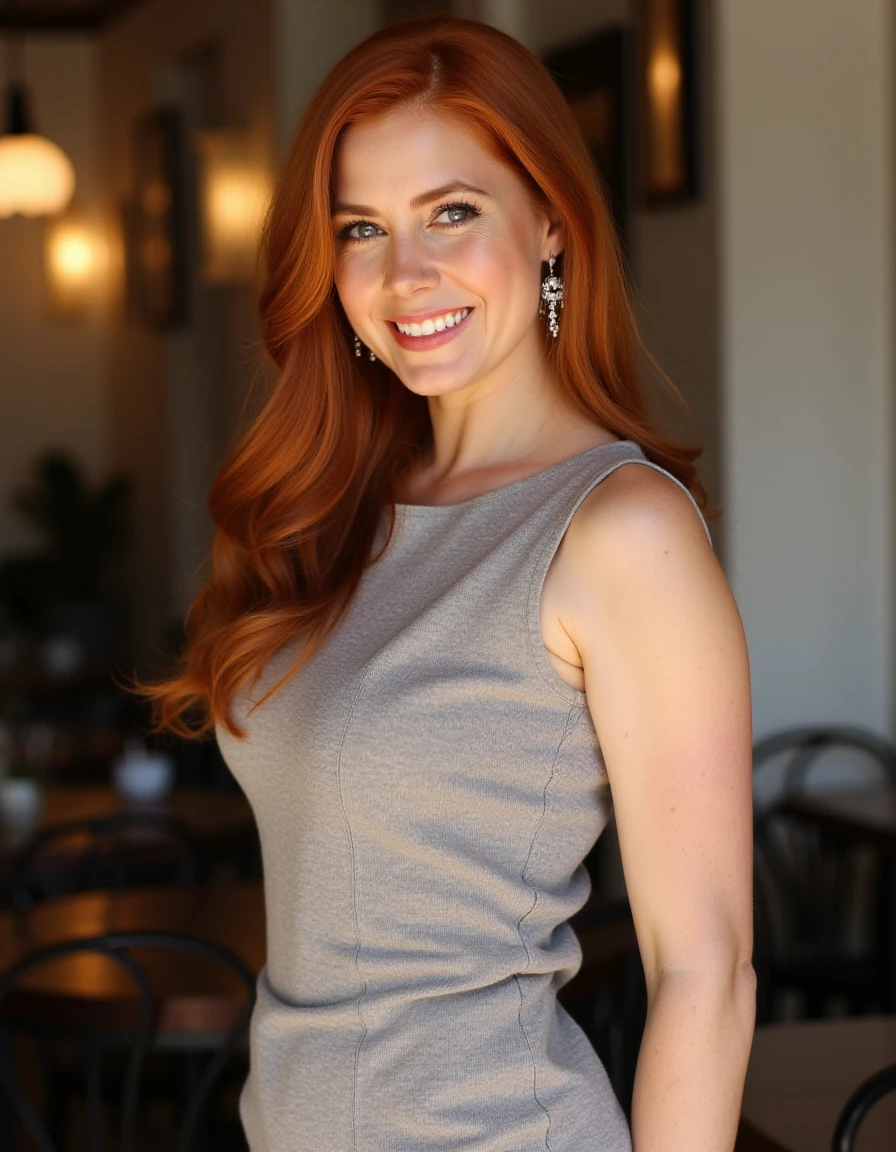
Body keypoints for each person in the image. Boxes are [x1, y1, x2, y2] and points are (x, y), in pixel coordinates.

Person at [134, 14, 755, 1152]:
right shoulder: (345, 509)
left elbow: (703, 971)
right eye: (361, 229)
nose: (403, 274)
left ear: (552, 220)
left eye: (452, 213)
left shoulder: (621, 531)